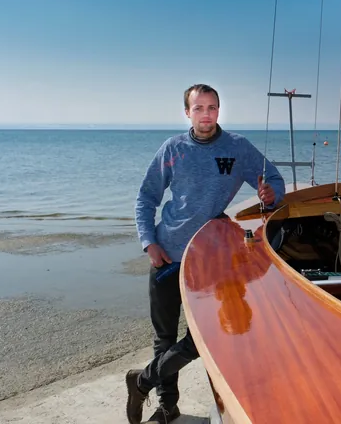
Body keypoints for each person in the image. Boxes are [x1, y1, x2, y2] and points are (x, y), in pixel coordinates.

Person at [126, 83, 285, 424]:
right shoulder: (172, 149)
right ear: (187, 112)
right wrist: (148, 241)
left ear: (218, 110)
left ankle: (142, 381)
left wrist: (270, 195)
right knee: (165, 337)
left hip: (211, 262)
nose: (206, 114)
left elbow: (272, 179)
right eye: (198, 108)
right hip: (167, 256)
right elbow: (146, 198)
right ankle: (167, 409)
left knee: (207, 337)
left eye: (212, 107)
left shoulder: (237, 147)